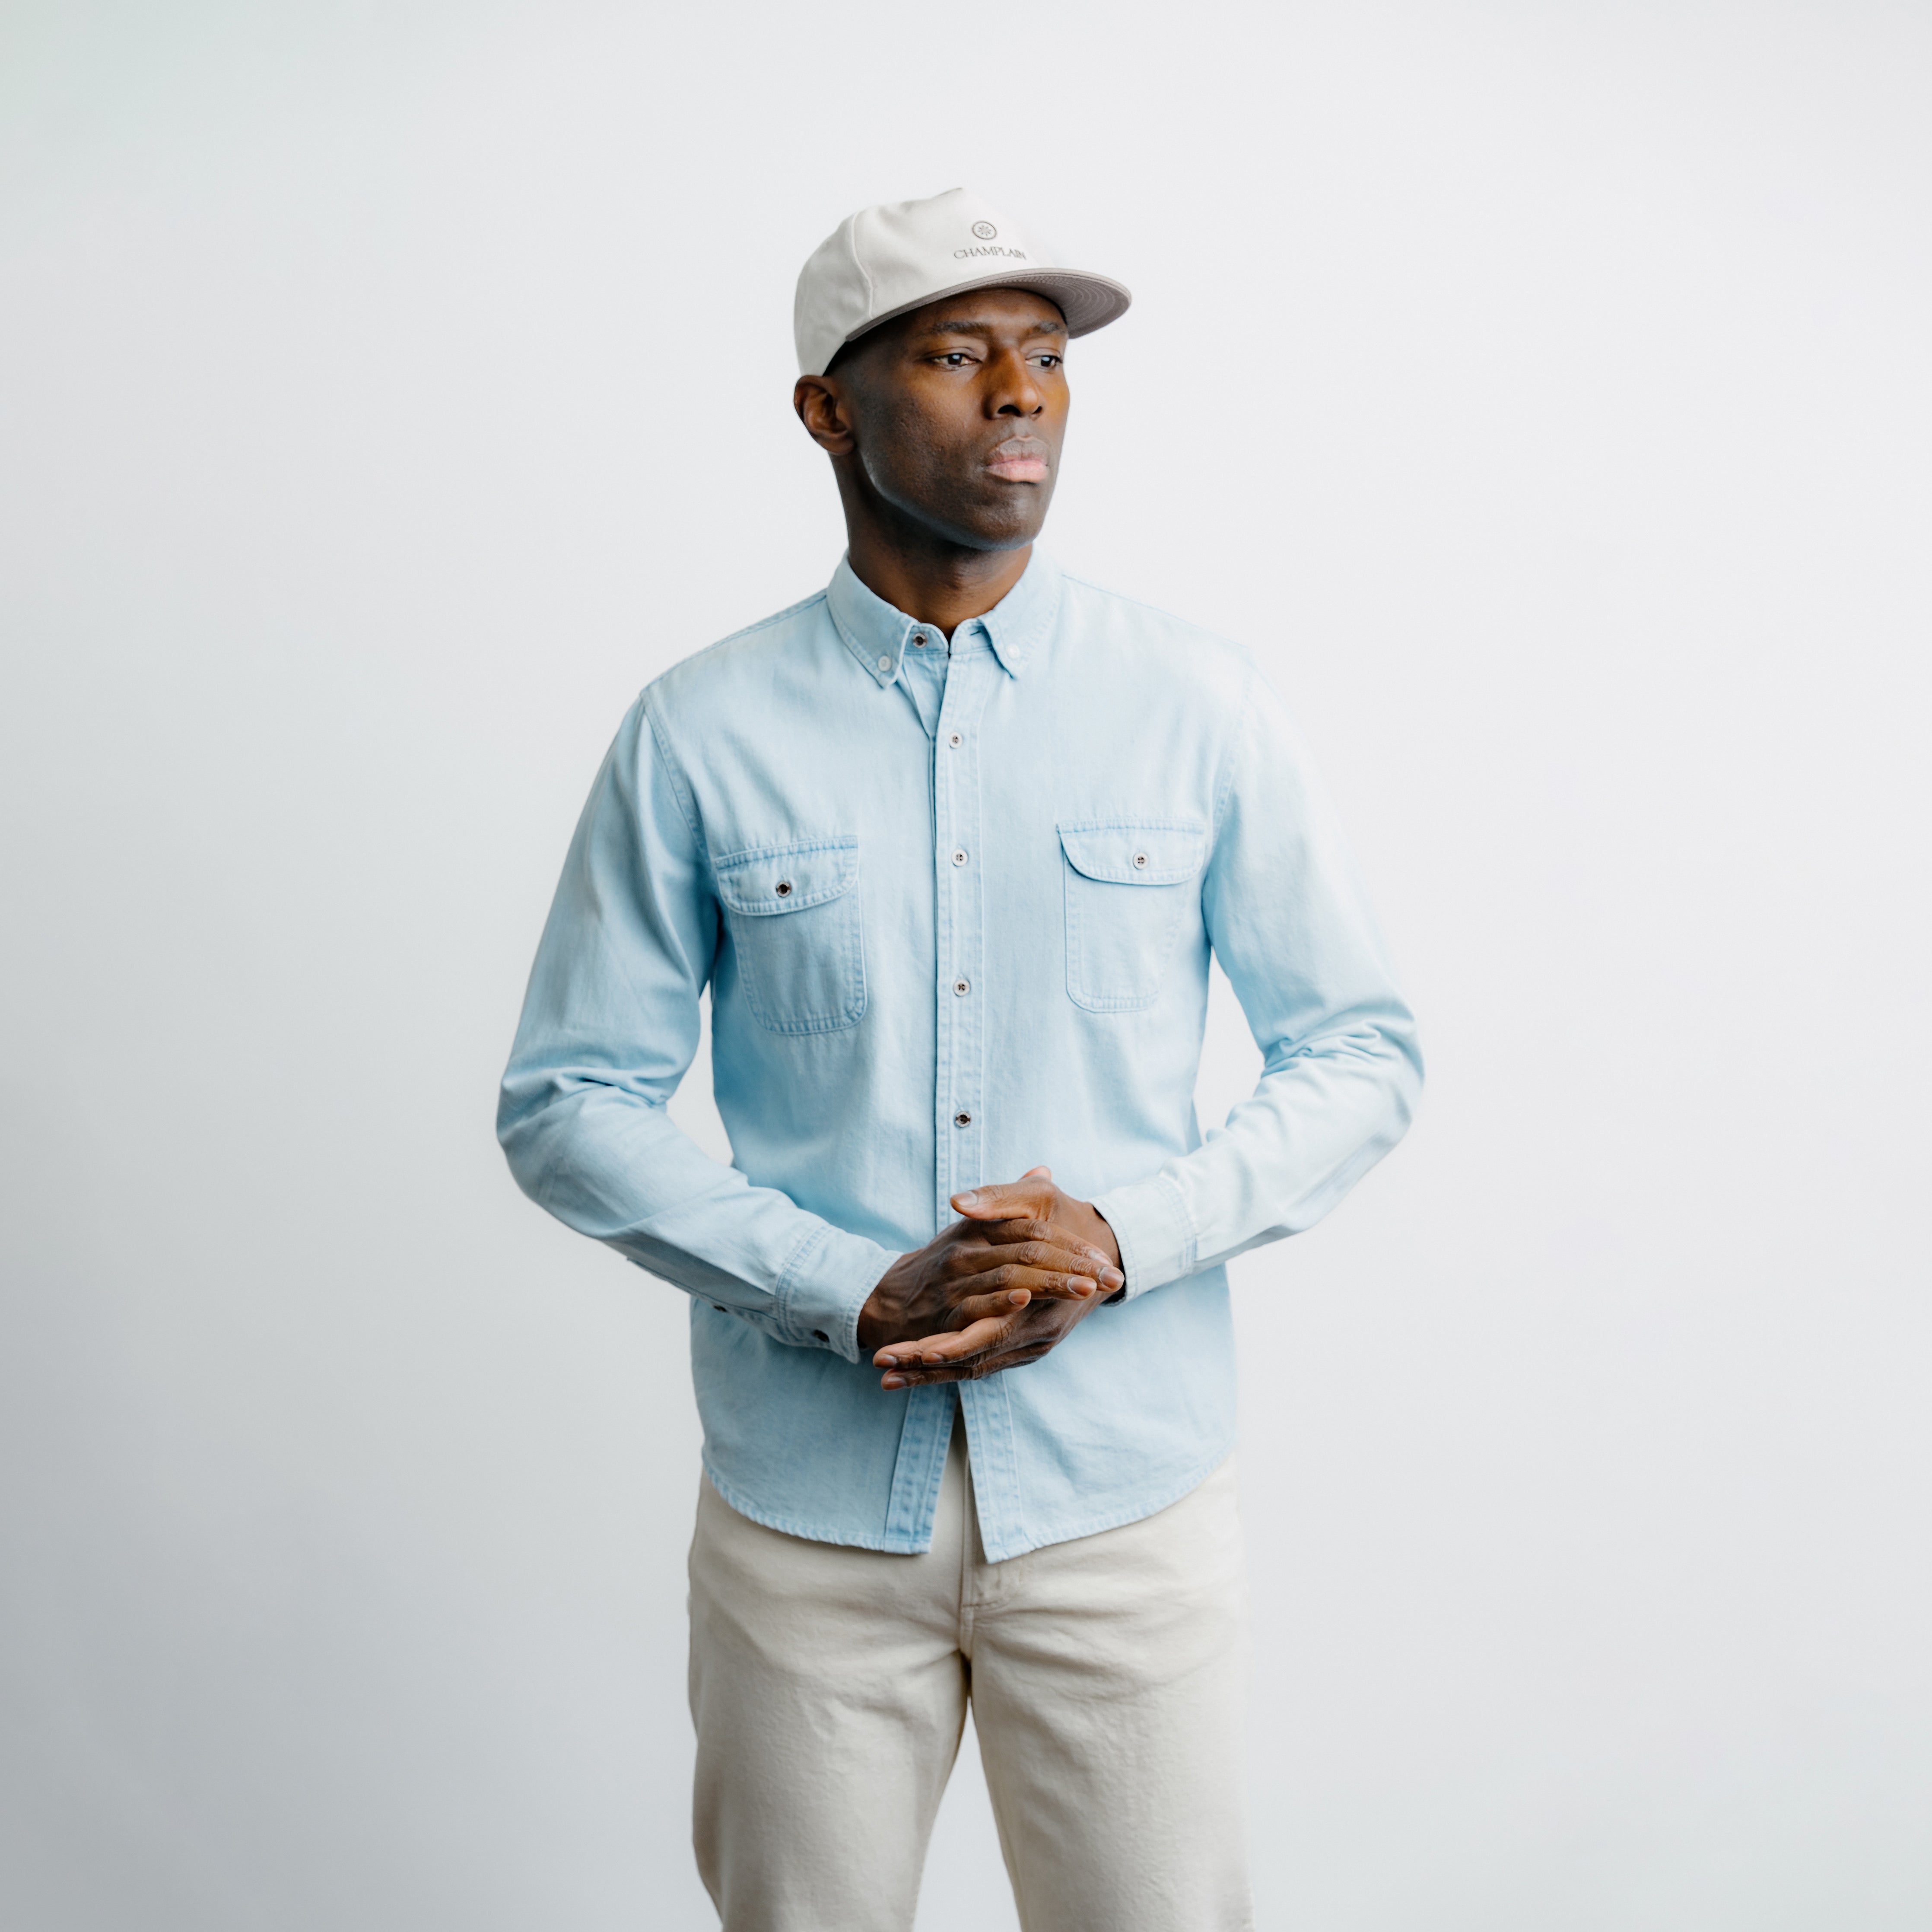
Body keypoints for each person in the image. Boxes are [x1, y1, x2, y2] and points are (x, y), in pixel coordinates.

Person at [498, 186, 1421, 1932]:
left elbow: (1359, 1052)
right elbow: (568, 1102)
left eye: (1048, 359)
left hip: (1124, 1509)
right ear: (825, 410)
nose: (1019, 396)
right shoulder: (697, 731)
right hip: (805, 1527)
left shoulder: (1198, 700)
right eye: (954, 354)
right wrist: (843, 1287)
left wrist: (1117, 1238)